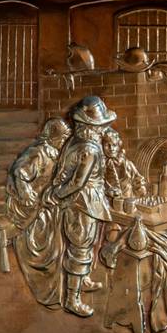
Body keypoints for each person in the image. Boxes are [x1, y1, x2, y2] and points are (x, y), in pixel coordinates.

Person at [44, 96, 116, 317]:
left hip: (82, 201)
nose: (103, 129)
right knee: (80, 247)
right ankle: (72, 299)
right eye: (100, 126)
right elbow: (77, 182)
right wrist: (56, 194)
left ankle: (82, 279)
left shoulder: (74, 142)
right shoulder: (89, 149)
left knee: (85, 243)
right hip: (84, 202)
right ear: (89, 126)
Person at [4, 118, 70, 227]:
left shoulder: (56, 154)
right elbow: (19, 172)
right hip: (27, 204)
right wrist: (25, 192)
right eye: (62, 138)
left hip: (43, 199)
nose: (64, 142)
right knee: (50, 218)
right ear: (53, 137)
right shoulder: (38, 153)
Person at [99, 127, 148, 269]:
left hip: (129, 206)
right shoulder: (99, 165)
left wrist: (140, 187)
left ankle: (113, 250)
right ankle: (113, 251)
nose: (111, 148)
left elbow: (138, 179)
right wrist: (107, 191)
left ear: (119, 145)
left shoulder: (126, 164)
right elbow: (95, 186)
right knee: (114, 231)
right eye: (107, 145)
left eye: (114, 145)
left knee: (137, 226)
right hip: (109, 210)